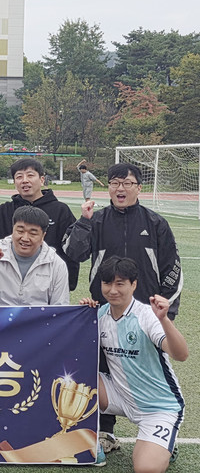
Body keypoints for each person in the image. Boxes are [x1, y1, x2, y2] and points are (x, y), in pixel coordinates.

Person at [63, 162, 183, 454]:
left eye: (127, 183)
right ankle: (105, 432)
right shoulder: (98, 220)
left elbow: (173, 268)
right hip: (106, 310)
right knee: (100, 367)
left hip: (147, 314)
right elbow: (72, 252)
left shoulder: (156, 223)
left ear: (138, 188)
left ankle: (160, 431)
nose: (120, 188)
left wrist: (167, 307)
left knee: (149, 368)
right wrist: (84, 221)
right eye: (115, 182)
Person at [80, 257, 188, 473]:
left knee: (146, 471)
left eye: (120, 283)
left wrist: (165, 320)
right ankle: (86, 442)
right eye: (107, 283)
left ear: (134, 284)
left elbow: (181, 355)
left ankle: (165, 447)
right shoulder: (99, 315)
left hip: (158, 406)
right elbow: (71, 350)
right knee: (72, 380)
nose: (112, 290)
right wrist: (80, 317)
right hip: (119, 395)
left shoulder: (147, 316)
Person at [0, 158, 79, 290]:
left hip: (47, 284)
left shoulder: (60, 210)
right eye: (19, 177)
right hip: (9, 283)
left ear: (42, 180)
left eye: (30, 175)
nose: (25, 180)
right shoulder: (6, 210)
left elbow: (71, 247)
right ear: (15, 182)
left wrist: (67, 282)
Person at [0, 207, 69, 306]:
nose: (25, 238)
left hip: (37, 323)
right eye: (20, 231)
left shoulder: (56, 264)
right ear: (13, 230)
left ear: (43, 236)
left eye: (33, 233)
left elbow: (60, 306)